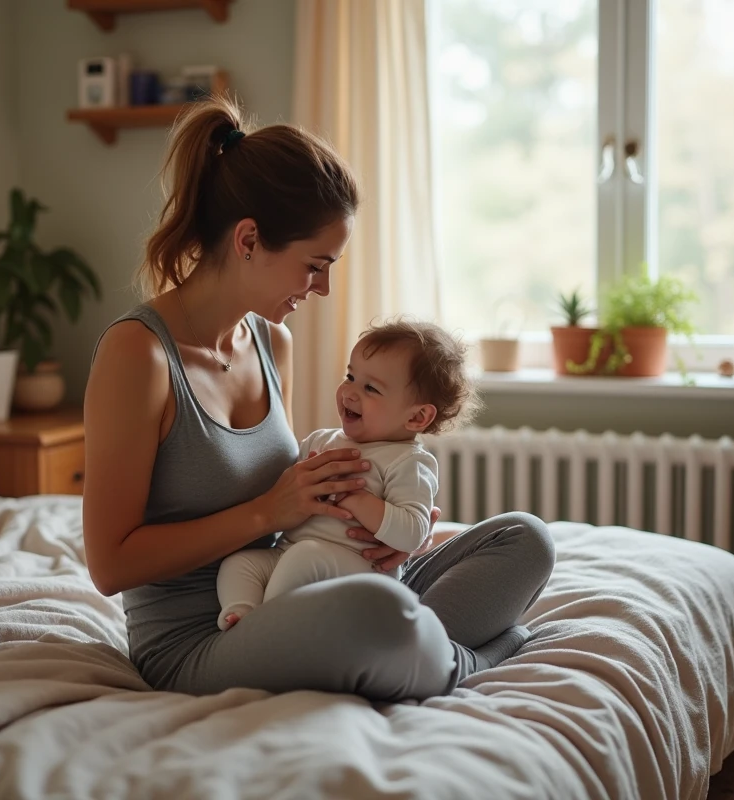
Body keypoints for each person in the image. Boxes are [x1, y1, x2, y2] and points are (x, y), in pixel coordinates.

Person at [82, 95, 555, 702]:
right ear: (249, 239)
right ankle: (480, 652)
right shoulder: (138, 355)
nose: (324, 288)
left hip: (308, 576)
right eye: (315, 265)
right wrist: (265, 515)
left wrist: (385, 521)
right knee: (374, 613)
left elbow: (297, 494)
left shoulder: (271, 342)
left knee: (525, 539)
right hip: (209, 633)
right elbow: (109, 566)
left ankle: (419, 640)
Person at [215, 319, 468, 632]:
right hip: (290, 553)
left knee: (305, 557)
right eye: (350, 376)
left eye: (370, 388)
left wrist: (355, 498)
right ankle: (242, 614)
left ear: (417, 417)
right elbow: (285, 489)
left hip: (361, 568)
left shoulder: (408, 462)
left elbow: (413, 533)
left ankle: (268, 629)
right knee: (240, 564)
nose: (349, 391)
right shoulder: (322, 441)